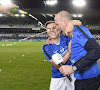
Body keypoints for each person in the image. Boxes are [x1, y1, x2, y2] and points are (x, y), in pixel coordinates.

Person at [54, 11, 100, 90]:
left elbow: (96, 50)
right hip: (81, 78)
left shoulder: (78, 31)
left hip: (89, 80)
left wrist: (73, 68)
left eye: (57, 24)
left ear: (65, 22)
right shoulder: (69, 33)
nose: (57, 27)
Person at [42, 20, 81, 90]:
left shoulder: (67, 38)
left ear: (59, 29)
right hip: (58, 78)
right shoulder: (46, 47)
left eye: (54, 28)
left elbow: (79, 23)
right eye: (49, 29)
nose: (52, 30)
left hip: (73, 73)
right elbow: (57, 66)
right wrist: (69, 52)